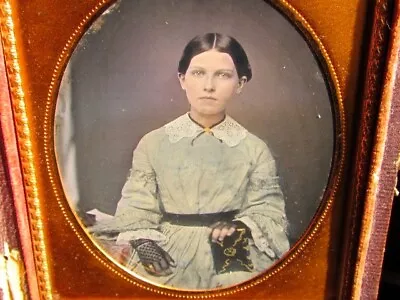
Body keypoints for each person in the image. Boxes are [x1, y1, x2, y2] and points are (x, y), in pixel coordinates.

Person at [89, 33, 290, 290]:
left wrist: (240, 225)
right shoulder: (153, 143)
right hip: (169, 244)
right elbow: (137, 207)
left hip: (231, 245)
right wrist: (144, 243)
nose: (208, 86)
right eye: (198, 73)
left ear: (240, 83)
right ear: (182, 80)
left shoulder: (254, 148)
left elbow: (268, 211)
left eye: (223, 75)